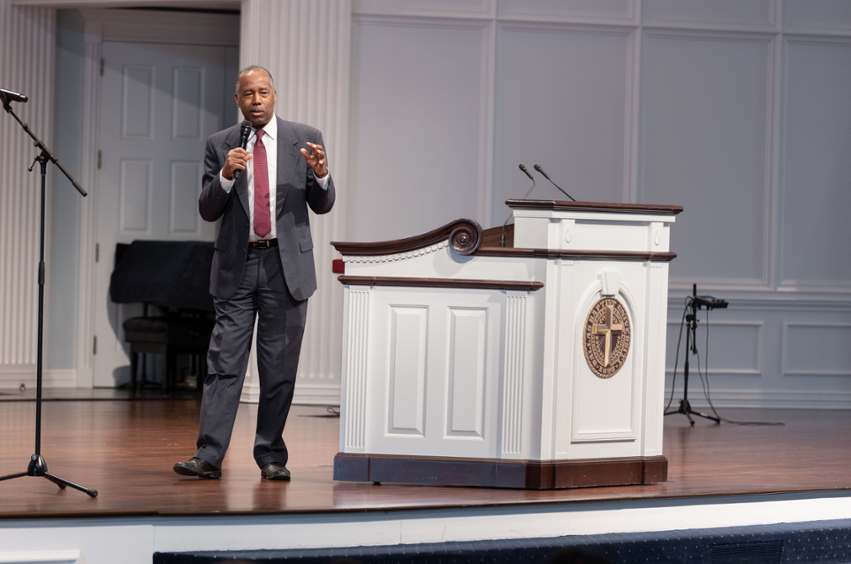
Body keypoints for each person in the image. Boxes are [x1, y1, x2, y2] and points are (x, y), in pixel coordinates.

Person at [174, 65, 335, 480]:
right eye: (249, 94)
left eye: (263, 92)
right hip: (237, 267)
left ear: (275, 96)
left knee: (278, 369)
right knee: (224, 364)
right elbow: (208, 208)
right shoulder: (220, 145)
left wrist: (321, 174)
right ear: (238, 100)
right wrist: (226, 175)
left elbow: (322, 204)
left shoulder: (305, 137)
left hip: (287, 266)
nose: (257, 100)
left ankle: (271, 455)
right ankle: (208, 456)